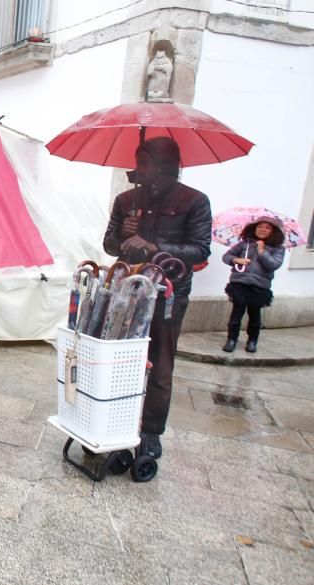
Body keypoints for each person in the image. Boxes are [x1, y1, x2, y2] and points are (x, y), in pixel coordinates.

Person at [103, 136, 211, 460]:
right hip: (128, 292)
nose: (138, 168)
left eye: (144, 162)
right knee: (123, 361)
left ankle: (150, 433)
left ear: (164, 166)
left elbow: (200, 249)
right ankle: (119, 424)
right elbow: (109, 245)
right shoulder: (126, 201)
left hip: (168, 295)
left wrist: (155, 246)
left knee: (161, 365)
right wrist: (122, 233)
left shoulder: (194, 201)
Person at [221, 218, 285, 353]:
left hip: (259, 286)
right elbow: (226, 256)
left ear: (274, 232)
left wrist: (262, 251)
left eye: (267, 228)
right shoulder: (245, 244)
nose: (262, 229)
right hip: (240, 283)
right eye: (260, 226)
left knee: (254, 315)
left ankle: (252, 341)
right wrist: (236, 259)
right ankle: (231, 339)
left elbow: (273, 265)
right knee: (236, 313)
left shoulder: (278, 249)